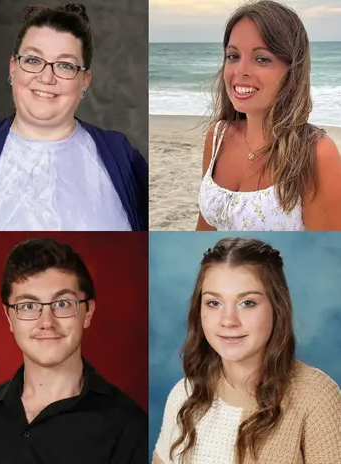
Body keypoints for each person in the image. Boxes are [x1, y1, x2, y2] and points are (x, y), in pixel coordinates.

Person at [0, 4, 147, 231]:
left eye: (65, 65)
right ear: (13, 68)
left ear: (84, 80)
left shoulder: (123, 156)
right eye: (33, 60)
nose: (46, 77)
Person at [0, 238, 147, 463]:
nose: (47, 322)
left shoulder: (130, 429)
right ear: (9, 317)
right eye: (28, 306)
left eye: (62, 304)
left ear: (88, 312)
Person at [152, 237, 341, 464]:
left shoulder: (316, 397)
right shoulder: (183, 395)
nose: (228, 320)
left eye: (247, 303)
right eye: (214, 303)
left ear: (277, 308)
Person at [197, 0, 341, 231]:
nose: (240, 71)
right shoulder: (218, 136)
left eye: (262, 59)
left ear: (292, 71)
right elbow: (205, 231)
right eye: (233, 56)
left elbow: (326, 255)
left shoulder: (316, 154)